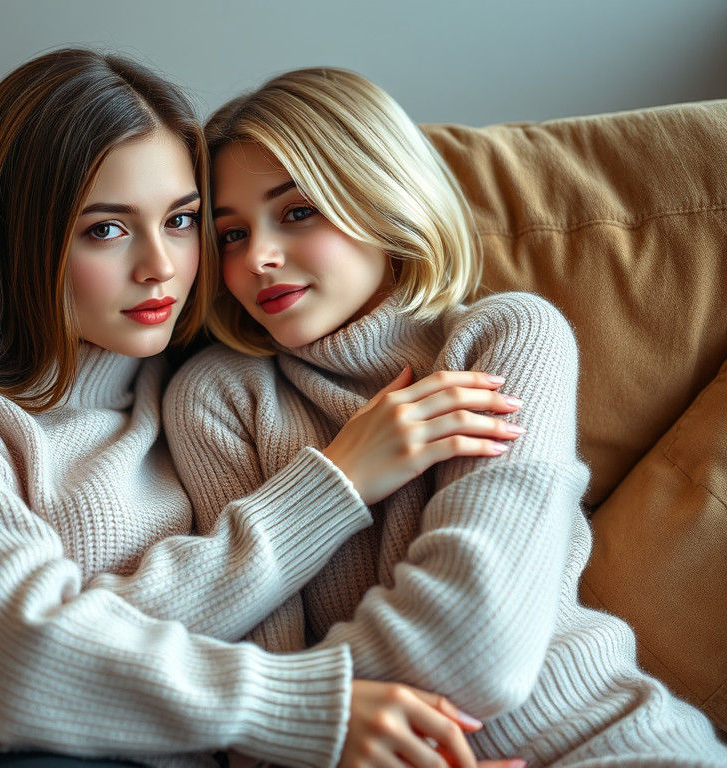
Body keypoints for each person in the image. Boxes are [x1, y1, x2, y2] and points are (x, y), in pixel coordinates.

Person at [0, 50, 525, 768]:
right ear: (22, 240)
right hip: (24, 756)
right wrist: (330, 500)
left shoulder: (208, 388)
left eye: (184, 220)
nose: (161, 266)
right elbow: (18, 660)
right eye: (106, 229)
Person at [163, 66, 727, 767]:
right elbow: (254, 701)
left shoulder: (507, 337)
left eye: (298, 211)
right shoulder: (217, 396)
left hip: (605, 743)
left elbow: (476, 648)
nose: (260, 259)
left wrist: (304, 715)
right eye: (229, 236)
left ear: (378, 194)